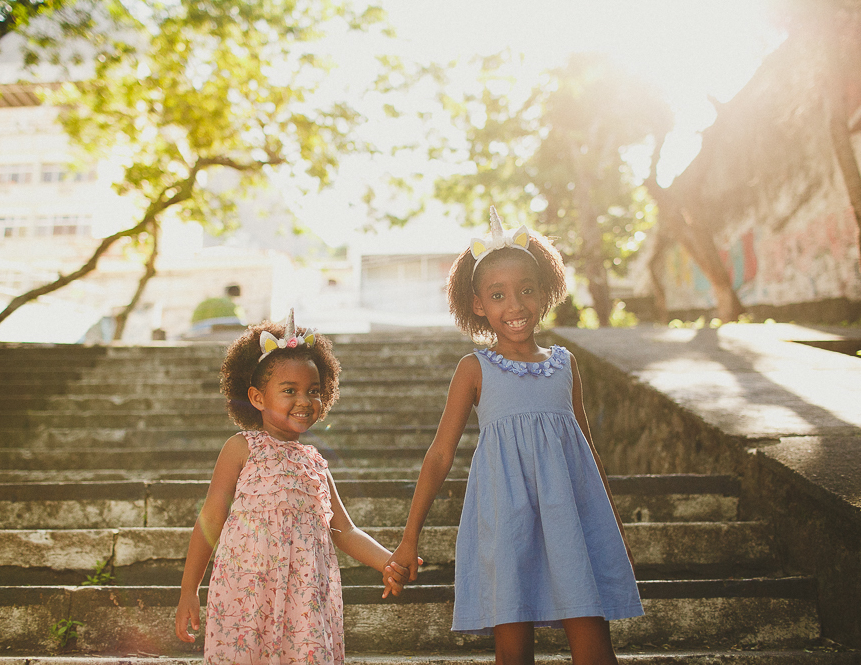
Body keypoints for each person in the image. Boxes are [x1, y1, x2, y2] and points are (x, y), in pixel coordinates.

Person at [389, 208, 643, 665]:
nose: (515, 305)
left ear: (544, 291)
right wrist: (410, 538)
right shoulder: (474, 369)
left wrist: (614, 527)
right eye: (498, 294)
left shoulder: (565, 364)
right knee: (512, 643)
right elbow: (440, 455)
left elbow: (588, 450)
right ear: (478, 304)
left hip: (571, 518)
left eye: (526, 290)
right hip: (507, 519)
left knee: (592, 635)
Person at [175, 309, 407, 665]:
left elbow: (344, 530)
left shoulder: (314, 463)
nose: (304, 401)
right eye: (289, 390)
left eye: (313, 391)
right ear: (257, 398)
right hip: (247, 592)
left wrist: (387, 562)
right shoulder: (241, 449)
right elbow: (210, 518)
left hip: (304, 595)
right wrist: (189, 589)